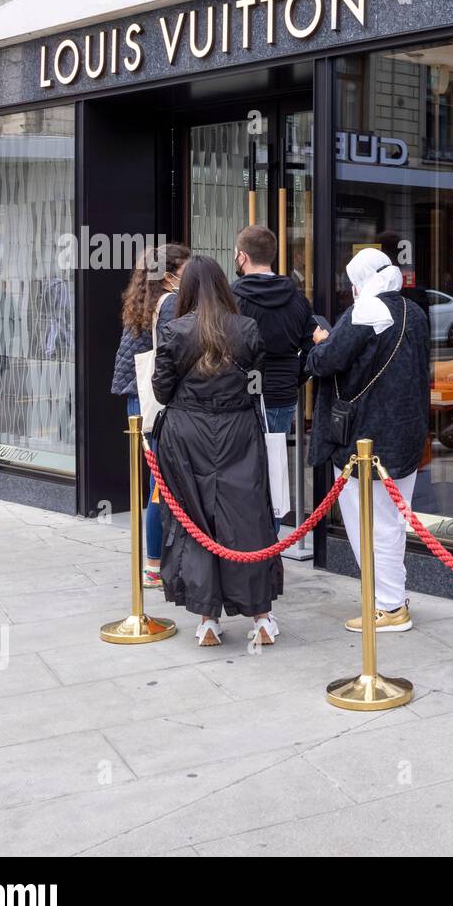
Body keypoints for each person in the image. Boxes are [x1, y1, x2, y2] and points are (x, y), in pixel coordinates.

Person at [152, 255, 283, 647]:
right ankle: (261, 618)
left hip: (186, 433)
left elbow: (161, 391)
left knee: (195, 521)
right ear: (225, 286)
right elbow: (255, 380)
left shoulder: (176, 330)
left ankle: (207, 620)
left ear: (187, 288)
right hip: (239, 431)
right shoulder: (247, 329)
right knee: (247, 519)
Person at [307, 248, 430, 633]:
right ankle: (394, 596)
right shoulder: (416, 312)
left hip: (366, 439)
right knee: (393, 522)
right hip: (406, 434)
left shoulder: (366, 311)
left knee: (370, 524)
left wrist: (320, 340)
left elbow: (325, 362)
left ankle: (390, 606)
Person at [109, 243, 191, 588]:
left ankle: (155, 562)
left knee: (156, 481)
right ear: (170, 273)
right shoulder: (169, 302)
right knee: (162, 483)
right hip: (156, 398)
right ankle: (156, 564)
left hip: (136, 398)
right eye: (186, 270)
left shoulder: (142, 300)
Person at [230, 225, 315, 533]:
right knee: (274, 466)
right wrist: (295, 378)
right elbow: (312, 347)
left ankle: (247, 544)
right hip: (281, 392)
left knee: (240, 469)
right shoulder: (297, 298)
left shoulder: (232, 296)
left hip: (240, 395)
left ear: (242, 256)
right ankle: (272, 537)